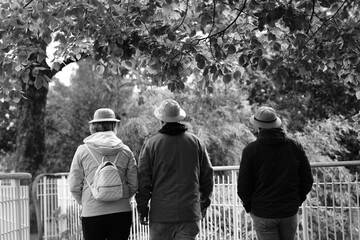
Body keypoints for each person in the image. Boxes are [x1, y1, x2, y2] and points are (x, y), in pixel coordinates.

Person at [135, 99, 214, 240]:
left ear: (161, 120)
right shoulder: (196, 142)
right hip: (189, 212)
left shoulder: (151, 144)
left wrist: (142, 207)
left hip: (161, 214)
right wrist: (203, 204)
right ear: (179, 119)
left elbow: (143, 179)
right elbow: (207, 175)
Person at [237, 106, 313, 240]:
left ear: (258, 127)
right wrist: (296, 201)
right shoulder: (294, 146)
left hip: (263, 212)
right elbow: (307, 179)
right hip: (288, 211)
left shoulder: (250, 150)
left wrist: (251, 208)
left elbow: (243, 185)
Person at [68, 108, 138, 240]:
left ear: (93, 126)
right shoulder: (125, 150)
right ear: (114, 126)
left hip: (92, 211)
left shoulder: (82, 150)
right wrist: (121, 196)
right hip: (121, 211)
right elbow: (134, 184)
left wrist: (85, 201)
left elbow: (73, 185)